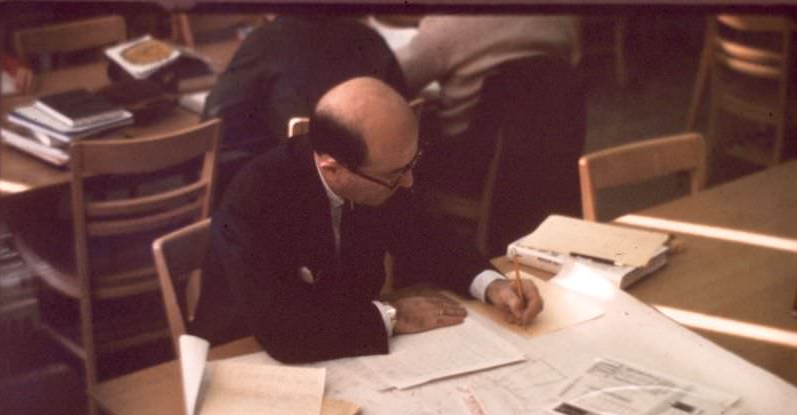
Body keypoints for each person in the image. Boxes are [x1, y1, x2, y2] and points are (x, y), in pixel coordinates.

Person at [192, 77, 543, 364]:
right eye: (396, 175)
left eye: (411, 164)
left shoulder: (379, 169)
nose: (408, 183)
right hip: (243, 357)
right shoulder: (257, 196)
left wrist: (492, 285)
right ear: (334, 169)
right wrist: (393, 315)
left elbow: (426, 236)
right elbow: (282, 330)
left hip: (345, 351)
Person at [395, 15, 586, 256]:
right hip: (550, 165)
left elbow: (389, 77)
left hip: (473, 170)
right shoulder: (561, 18)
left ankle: (412, 261)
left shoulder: (450, 23)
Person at [202, 15, 408, 203]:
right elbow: (406, 110)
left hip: (299, 194)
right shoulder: (371, 37)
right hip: (377, 190)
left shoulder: (266, 40)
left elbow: (213, 116)